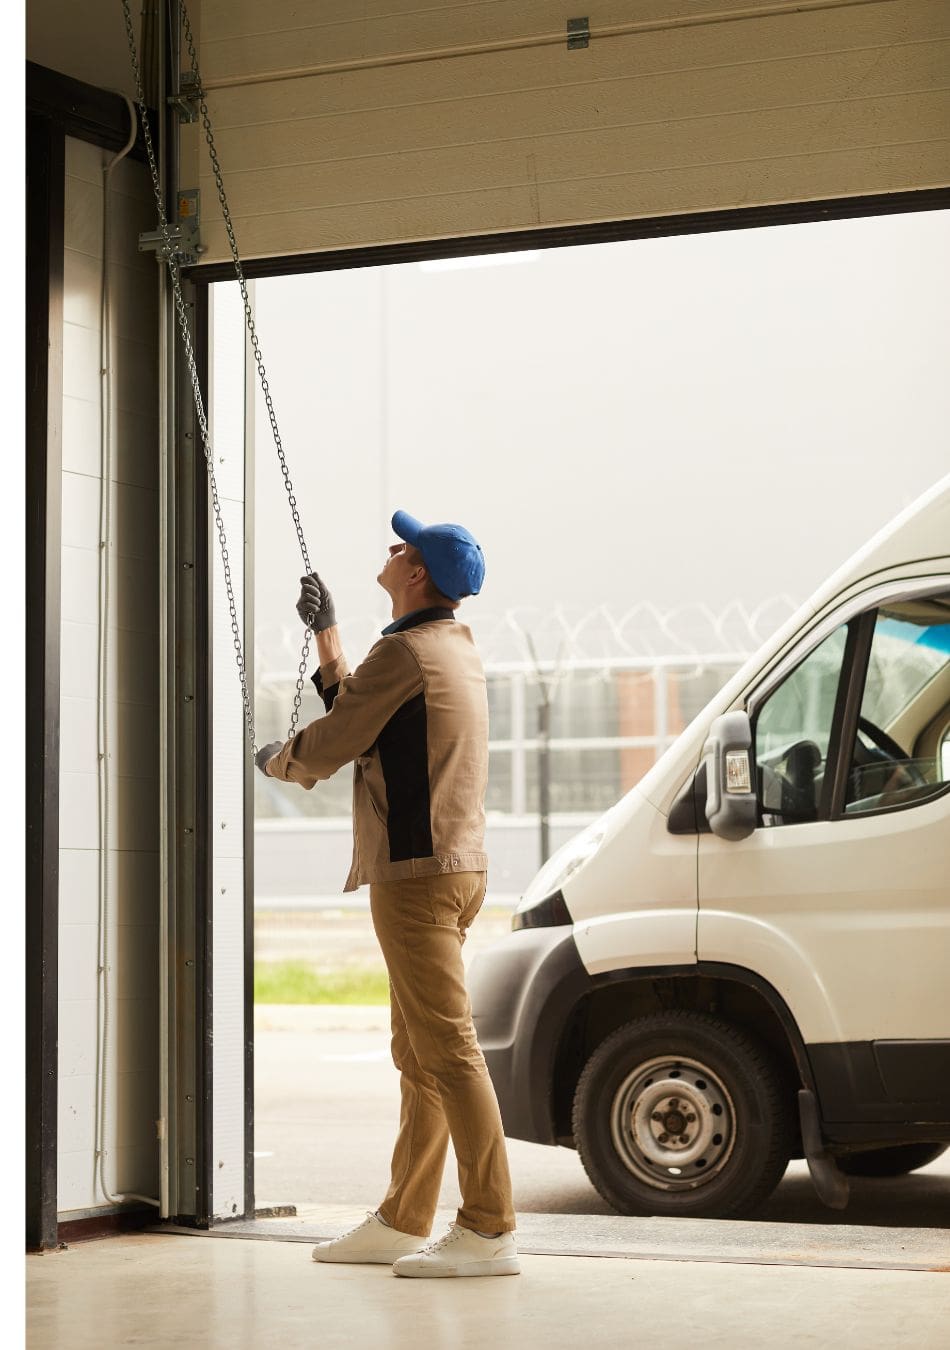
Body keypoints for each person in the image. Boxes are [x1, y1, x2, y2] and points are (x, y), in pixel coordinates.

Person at [255, 510, 519, 1279]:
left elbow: (337, 742)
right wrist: (328, 636)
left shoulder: (405, 652)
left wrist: (278, 762)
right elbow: (369, 715)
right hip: (457, 870)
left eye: (404, 546)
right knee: (419, 1051)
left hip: (415, 879)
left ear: (417, 576)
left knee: (449, 1052)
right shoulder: (452, 648)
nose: (392, 547)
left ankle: (489, 1226)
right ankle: (406, 1217)